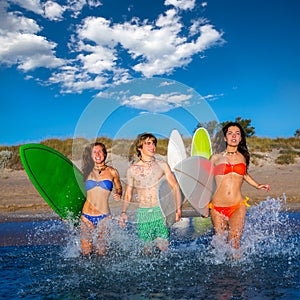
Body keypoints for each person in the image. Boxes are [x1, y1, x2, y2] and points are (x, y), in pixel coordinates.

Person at [209, 122, 270, 250]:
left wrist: (258, 185)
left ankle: (237, 269)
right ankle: (221, 270)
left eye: (237, 134)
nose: (234, 136)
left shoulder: (243, 157)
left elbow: (245, 174)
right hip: (217, 207)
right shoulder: (215, 158)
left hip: (237, 205)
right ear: (225, 138)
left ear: (241, 138)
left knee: (234, 243)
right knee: (220, 246)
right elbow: (206, 182)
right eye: (230, 134)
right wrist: (203, 205)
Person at [119, 132, 182, 254]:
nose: (152, 146)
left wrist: (178, 208)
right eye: (148, 143)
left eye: (153, 143)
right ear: (139, 147)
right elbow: (128, 193)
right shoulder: (132, 170)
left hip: (160, 211)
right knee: (146, 251)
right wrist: (123, 212)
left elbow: (175, 186)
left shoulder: (162, 165)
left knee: (164, 250)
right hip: (143, 214)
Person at [80, 142, 122, 256]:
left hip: (104, 217)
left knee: (102, 252)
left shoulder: (112, 172)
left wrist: (118, 193)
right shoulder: (86, 172)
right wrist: (64, 213)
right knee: (86, 251)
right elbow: (76, 193)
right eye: (94, 152)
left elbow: (119, 187)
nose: (97, 154)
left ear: (104, 153)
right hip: (86, 216)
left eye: (100, 151)